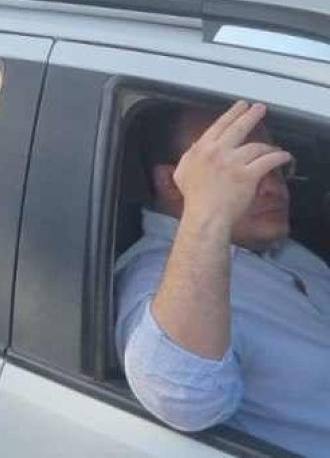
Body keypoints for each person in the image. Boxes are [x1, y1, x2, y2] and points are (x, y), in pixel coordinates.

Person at [115, 100, 329, 454]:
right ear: (173, 183)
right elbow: (185, 401)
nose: (275, 188)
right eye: (242, 172)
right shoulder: (156, 278)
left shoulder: (278, 247)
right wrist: (207, 212)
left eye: (275, 168)